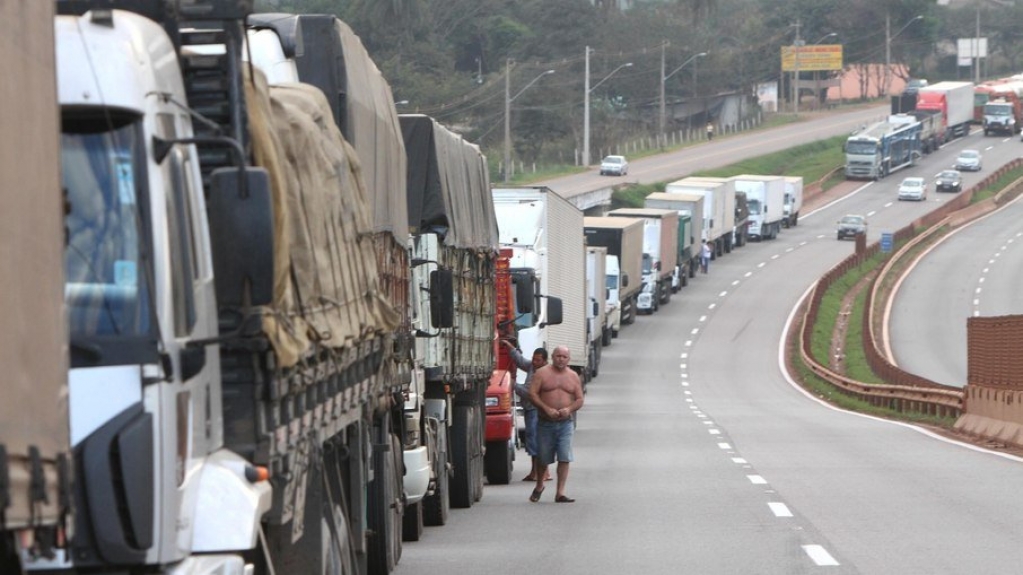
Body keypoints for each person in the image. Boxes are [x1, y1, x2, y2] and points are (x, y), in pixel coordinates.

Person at [528, 345, 584, 503]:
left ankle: (560, 492)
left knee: (564, 456)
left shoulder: (573, 376)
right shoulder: (542, 373)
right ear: (552, 357)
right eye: (558, 356)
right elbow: (532, 394)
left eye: (564, 357)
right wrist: (546, 408)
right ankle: (539, 485)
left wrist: (569, 409)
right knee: (543, 457)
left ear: (569, 359)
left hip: (565, 423)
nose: (561, 359)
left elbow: (579, 399)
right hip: (545, 423)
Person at [502, 340, 550, 482]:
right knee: (533, 441)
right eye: (534, 359)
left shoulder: (543, 373)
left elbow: (529, 393)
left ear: (545, 361)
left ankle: (542, 473)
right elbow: (520, 361)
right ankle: (535, 472)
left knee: (536, 442)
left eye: (538, 360)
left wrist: (512, 384)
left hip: (536, 409)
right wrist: (511, 348)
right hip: (530, 409)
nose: (534, 362)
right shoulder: (532, 367)